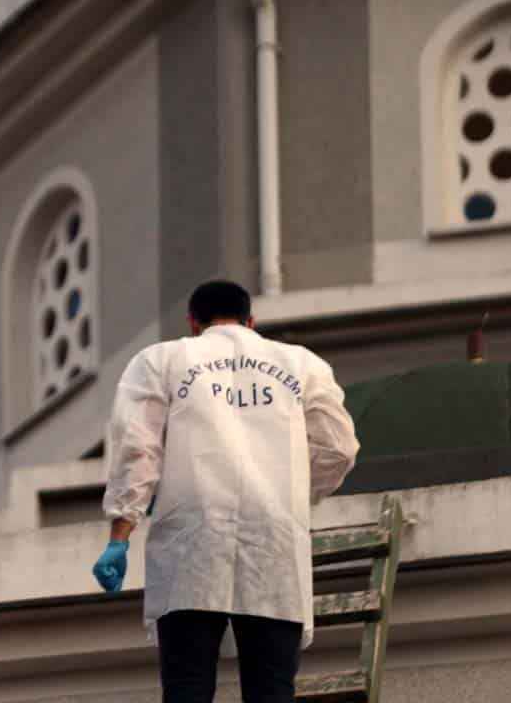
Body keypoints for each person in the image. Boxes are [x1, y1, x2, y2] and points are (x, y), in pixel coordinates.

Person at [92, 279, 359, 703]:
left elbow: (136, 449)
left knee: (187, 687)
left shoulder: (163, 359)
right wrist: (291, 490)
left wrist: (120, 534)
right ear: (251, 321)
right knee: (271, 689)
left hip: (190, 538)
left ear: (193, 323)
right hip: (273, 538)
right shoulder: (301, 364)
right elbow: (339, 448)